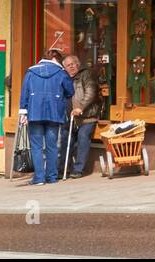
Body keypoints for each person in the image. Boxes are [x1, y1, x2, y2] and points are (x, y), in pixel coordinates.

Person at [19, 49, 74, 186]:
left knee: (37, 146)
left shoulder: (31, 71)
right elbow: (70, 91)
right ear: (55, 58)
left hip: (34, 112)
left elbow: (24, 92)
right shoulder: (61, 72)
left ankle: (39, 178)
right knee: (52, 146)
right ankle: (52, 176)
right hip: (54, 112)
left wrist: (23, 112)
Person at [61, 54, 100, 179]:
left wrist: (80, 107)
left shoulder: (86, 74)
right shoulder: (65, 78)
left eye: (73, 64)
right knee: (65, 139)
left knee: (83, 136)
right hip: (71, 118)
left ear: (78, 64)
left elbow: (91, 92)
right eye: (68, 66)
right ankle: (63, 168)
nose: (71, 67)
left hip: (88, 116)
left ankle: (78, 169)